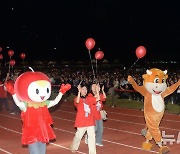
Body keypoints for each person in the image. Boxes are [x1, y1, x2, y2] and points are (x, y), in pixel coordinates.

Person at [70, 84, 96, 154]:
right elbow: (77, 102)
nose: (85, 91)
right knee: (78, 136)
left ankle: (92, 152)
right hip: (81, 121)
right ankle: (73, 147)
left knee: (92, 137)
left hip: (90, 121)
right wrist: (79, 92)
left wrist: (97, 91)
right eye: (83, 89)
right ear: (80, 90)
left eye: (86, 89)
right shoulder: (77, 98)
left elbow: (97, 99)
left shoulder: (89, 98)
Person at [86, 83, 106, 147]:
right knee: (95, 128)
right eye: (93, 86)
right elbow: (97, 98)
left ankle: (98, 141)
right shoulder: (89, 95)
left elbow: (104, 98)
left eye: (96, 86)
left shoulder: (98, 94)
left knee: (100, 129)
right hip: (92, 115)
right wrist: (97, 91)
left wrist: (102, 90)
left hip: (98, 114)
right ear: (91, 88)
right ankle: (87, 137)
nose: (95, 87)